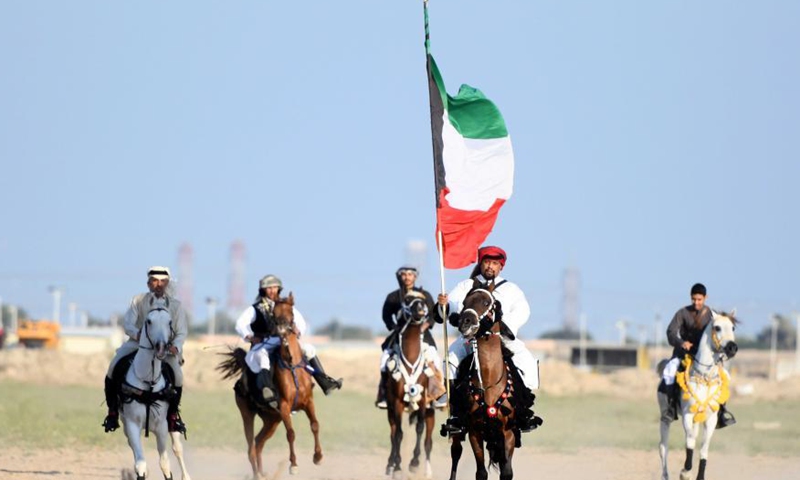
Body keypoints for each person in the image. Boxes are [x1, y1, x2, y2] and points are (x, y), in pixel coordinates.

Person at [436, 246, 542, 434]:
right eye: (487, 262)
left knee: (526, 360)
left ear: (501, 267)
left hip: (501, 337)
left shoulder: (510, 289)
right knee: (451, 358)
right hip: (472, 339)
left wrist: (506, 326)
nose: (490, 267)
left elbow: (522, 309)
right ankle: (455, 413)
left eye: (494, 263)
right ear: (481, 263)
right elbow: (452, 305)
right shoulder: (467, 286)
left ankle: (525, 412)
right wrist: (443, 305)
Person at [102, 266, 189, 434]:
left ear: (167, 283)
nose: (159, 284)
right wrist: (138, 334)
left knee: (178, 376)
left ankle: (172, 417)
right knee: (113, 367)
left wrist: (176, 346)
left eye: (163, 281)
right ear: (148, 283)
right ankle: (112, 412)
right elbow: (128, 324)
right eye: (155, 281)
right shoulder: (138, 300)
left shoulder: (176, 306)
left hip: (166, 350)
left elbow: (182, 331)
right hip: (138, 344)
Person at [234, 274, 342, 408]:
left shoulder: (285, 305)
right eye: (269, 288)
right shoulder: (255, 308)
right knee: (262, 357)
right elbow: (240, 324)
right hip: (264, 343)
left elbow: (300, 321)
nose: (273, 291)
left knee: (308, 349)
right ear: (263, 290)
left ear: (279, 289)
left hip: (282, 341)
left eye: (275, 288)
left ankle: (324, 382)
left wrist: (298, 330)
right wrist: (249, 337)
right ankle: (267, 390)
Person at [661, 283, 736, 428]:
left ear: (705, 298)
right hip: (683, 354)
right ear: (691, 298)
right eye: (694, 299)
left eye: (699, 299)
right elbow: (670, 332)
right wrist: (681, 342)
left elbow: (719, 334)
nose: (696, 302)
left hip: (706, 358)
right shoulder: (682, 313)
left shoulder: (712, 316)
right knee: (669, 371)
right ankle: (670, 409)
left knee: (725, 376)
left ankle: (721, 412)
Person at [375, 266, 445, 409]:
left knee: (436, 361)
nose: (407, 277)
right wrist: (395, 328)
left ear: (415, 277)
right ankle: (384, 394)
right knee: (384, 361)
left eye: (410, 275)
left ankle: (438, 395)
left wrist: (425, 326)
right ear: (400, 277)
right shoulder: (393, 297)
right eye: (404, 275)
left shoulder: (425, 295)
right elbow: (386, 316)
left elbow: (432, 314)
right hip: (399, 337)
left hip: (423, 336)